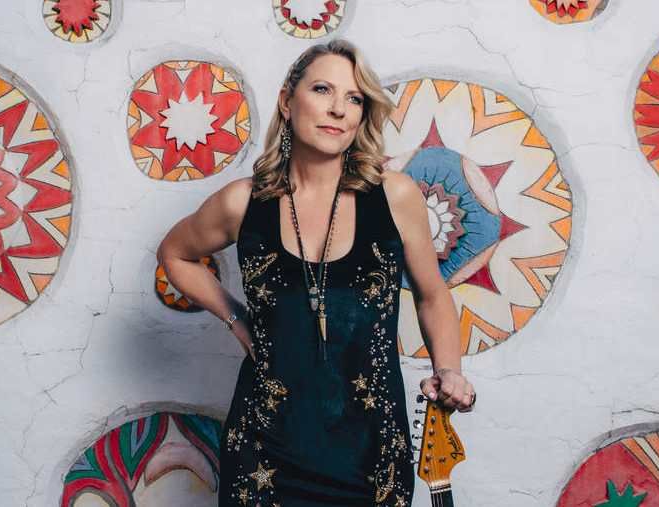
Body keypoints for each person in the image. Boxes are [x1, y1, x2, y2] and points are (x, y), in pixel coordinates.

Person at [157, 39, 475, 507]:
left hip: (373, 457)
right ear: (288, 101)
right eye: (323, 89)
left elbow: (431, 295)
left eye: (354, 98)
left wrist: (449, 370)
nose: (339, 110)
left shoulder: (395, 196)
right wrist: (236, 320)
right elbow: (176, 254)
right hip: (265, 453)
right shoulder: (243, 202)